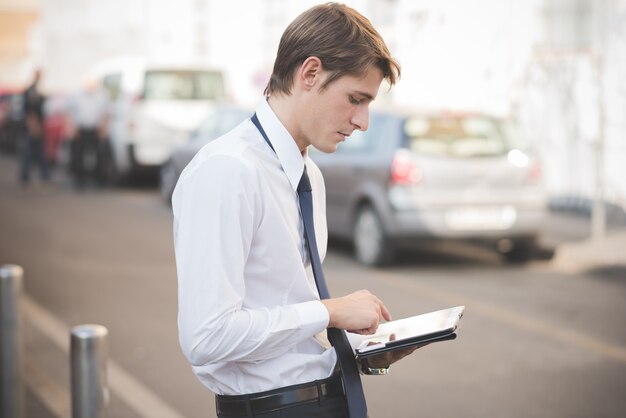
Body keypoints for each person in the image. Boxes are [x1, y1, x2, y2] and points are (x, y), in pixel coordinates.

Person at [173, 3, 407, 418]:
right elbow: (206, 337)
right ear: (310, 73)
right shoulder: (227, 170)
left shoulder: (308, 174)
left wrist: (359, 343)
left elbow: (283, 312)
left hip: (324, 396)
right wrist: (330, 310)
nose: (363, 121)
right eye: (355, 99)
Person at [67, 77, 111, 189]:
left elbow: (106, 113)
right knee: (78, 155)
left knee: (99, 155)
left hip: (96, 129)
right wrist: (72, 128)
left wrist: (104, 128)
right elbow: (68, 112)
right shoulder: (76, 96)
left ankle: (99, 180)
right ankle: (79, 180)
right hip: (80, 129)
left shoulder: (101, 95)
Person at [19, 69, 51, 187]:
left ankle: (42, 177)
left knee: (39, 153)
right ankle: (26, 178)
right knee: (29, 153)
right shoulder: (32, 90)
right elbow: (30, 111)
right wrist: (33, 126)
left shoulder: (37, 89)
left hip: (37, 126)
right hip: (32, 127)